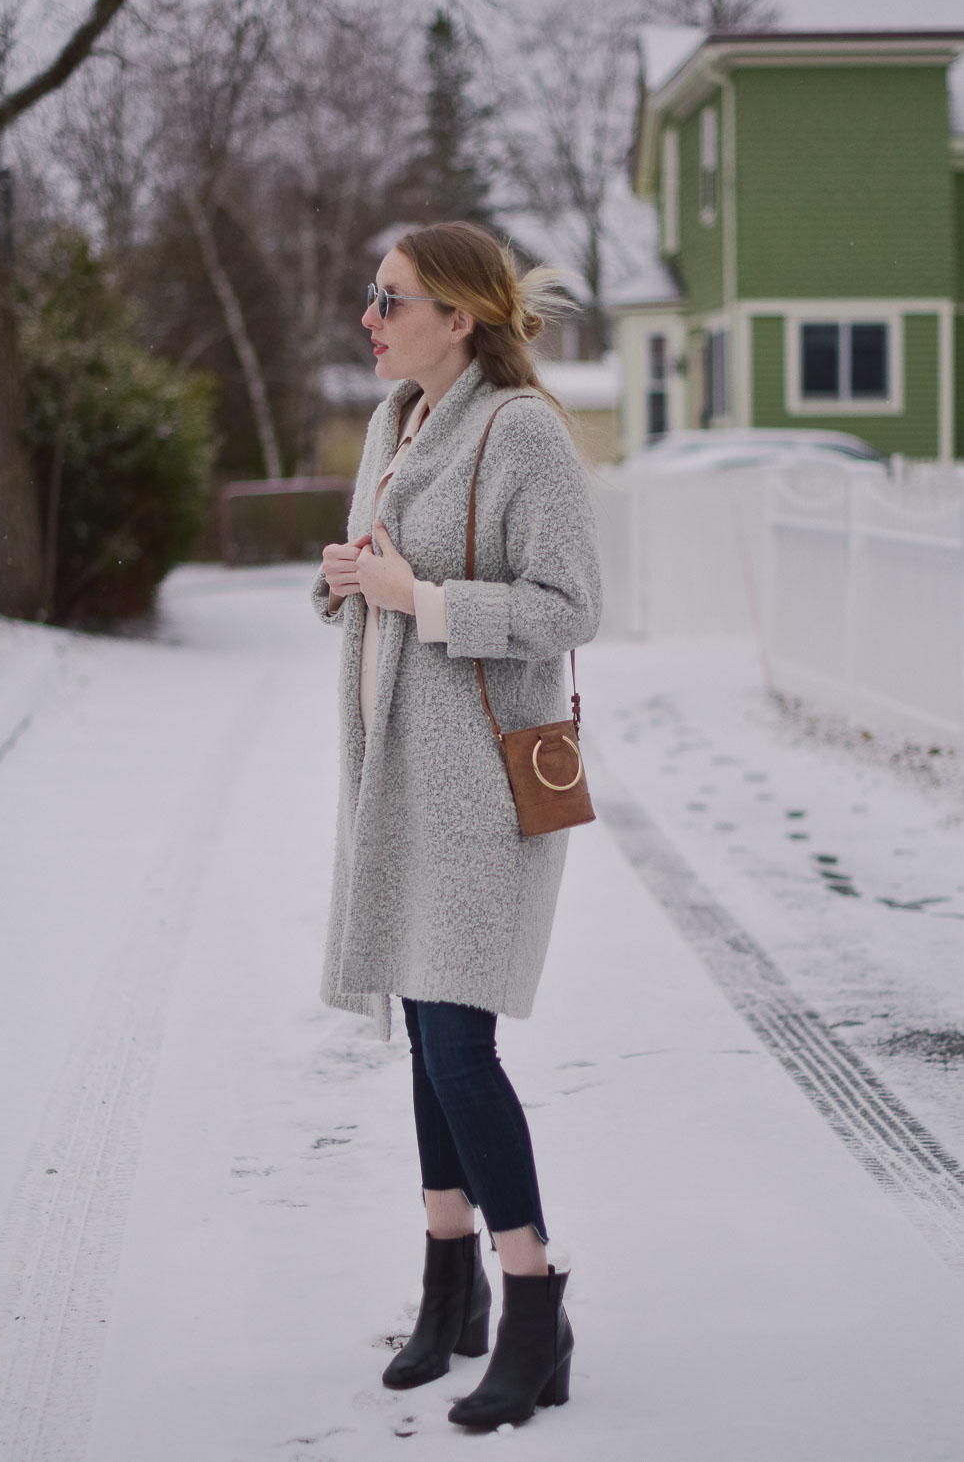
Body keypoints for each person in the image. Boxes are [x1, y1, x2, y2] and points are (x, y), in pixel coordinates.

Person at [311, 220, 601, 1429]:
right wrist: (346, 580)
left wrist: (416, 597)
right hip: (395, 778)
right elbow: (380, 580)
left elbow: (567, 605)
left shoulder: (521, 433)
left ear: (459, 317)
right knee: (425, 1032)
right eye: (371, 297)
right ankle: (449, 1289)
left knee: (457, 1042)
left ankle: (530, 1302)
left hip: (480, 789)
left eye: (391, 300)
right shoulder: (395, 424)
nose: (370, 318)